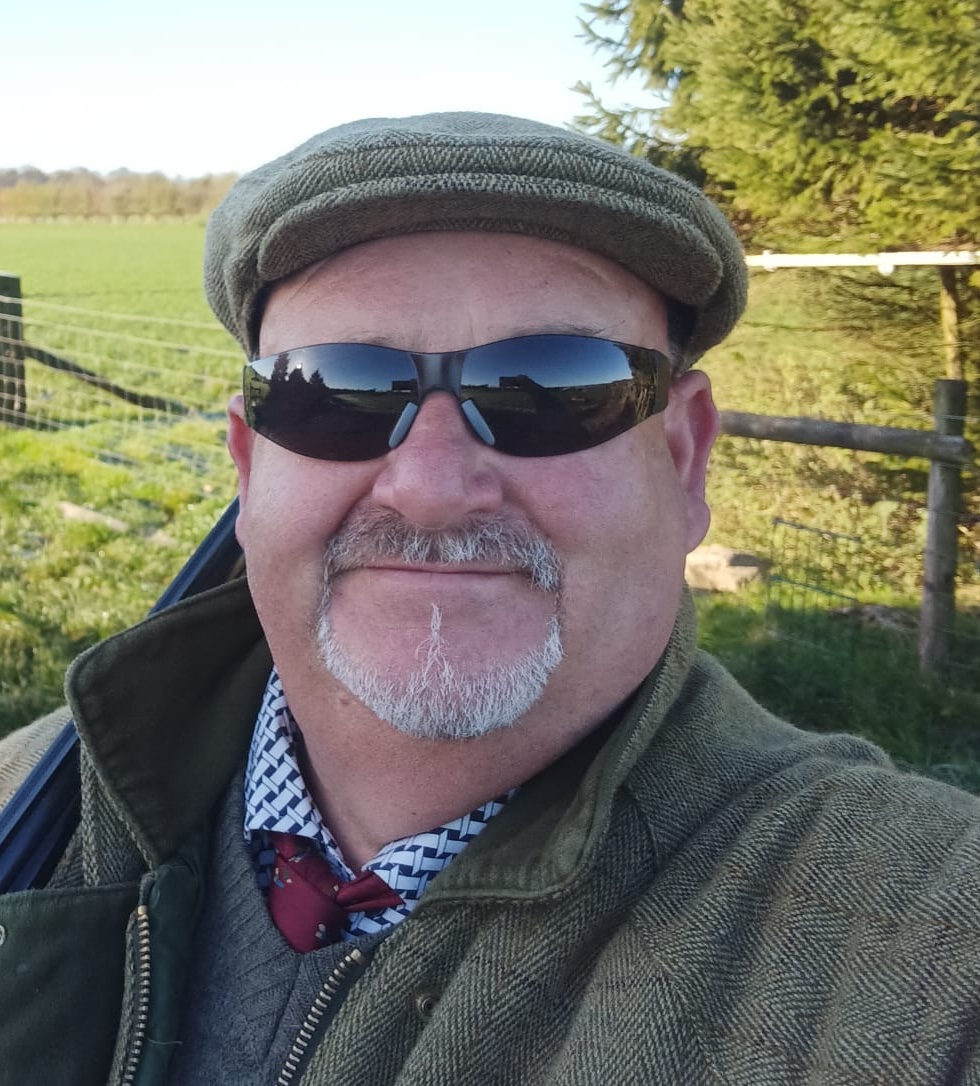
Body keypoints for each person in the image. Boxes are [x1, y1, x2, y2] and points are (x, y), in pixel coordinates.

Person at [1, 112, 979, 1086]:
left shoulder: (925, 947)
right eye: (336, 390)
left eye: (552, 387)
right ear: (250, 470)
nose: (428, 486)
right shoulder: (27, 793)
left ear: (680, 462)